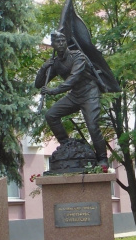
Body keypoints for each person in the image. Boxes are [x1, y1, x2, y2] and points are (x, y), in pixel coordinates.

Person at [35, 30, 110, 169]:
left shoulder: (78, 56)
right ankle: (66, 144)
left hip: (89, 92)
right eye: (58, 41)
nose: (62, 43)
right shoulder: (55, 63)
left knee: (93, 126)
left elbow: (73, 78)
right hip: (75, 95)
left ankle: (103, 159)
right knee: (51, 115)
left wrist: (54, 90)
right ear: (52, 45)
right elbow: (38, 84)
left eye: (63, 40)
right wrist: (43, 68)